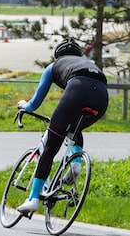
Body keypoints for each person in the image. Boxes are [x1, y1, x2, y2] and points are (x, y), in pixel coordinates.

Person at [16, 38, 109, 213]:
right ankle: (76, 163)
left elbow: (34, 104)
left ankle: (33, 199)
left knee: (51, 146)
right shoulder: (89, 63)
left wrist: (24, 105)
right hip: (102, 96)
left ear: (57, 55)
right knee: (75, 128)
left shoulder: (54, 66)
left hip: (77, 89)